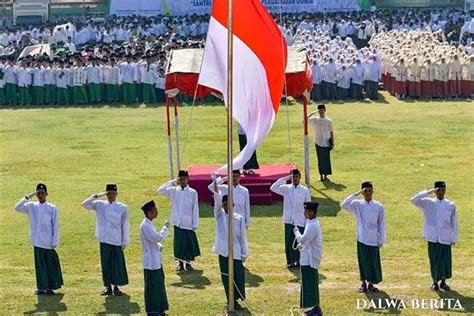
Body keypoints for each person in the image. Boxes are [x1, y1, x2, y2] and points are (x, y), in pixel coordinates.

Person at [14, 183, 64, 295]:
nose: (40, 195)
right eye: (38, 193)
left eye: (42, 193)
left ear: (46, 194)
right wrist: (28, 196)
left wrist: (55, 240)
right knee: (40, 266)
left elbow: (55, 225)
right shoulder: (31, 206)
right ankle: (41, 287)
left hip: (48, 241)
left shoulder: (52, 208)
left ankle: (50, 287)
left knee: (49, 265)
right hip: (37, 241)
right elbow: (17, 207)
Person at [81, 184, 130, 296]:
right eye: (108, 193)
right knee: (106, 264)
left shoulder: (122, 207)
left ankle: (116, 287)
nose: (110, 196)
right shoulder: (100, 204)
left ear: (116, 194)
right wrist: (97, 195)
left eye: (112, 193)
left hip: (116, 239)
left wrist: (125, 241)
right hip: (104, 239)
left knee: (116, 264)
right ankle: (107, 287)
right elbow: (84, 204)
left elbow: (125, 225)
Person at [410, 181, 458, 291]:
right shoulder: (428, 203)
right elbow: (414, 199)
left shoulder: (450, 205)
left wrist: (454, 237)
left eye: (442, 190)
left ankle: (443, 281)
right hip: (432, 236)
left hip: (445, 236)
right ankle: (435, 281)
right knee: (434, 259)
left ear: (445, 190)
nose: (440, 192)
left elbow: (454, 221)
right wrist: (429, 191)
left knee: (445, 260)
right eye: (438, 190)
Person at [341, 181, 386, 293]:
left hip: (373, 238)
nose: (368, 193)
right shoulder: (357, 204)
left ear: (373, 191)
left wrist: (381, 240)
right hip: (362, 237)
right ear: (362, 192)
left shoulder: (379, 206)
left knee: (372, 262)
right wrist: (357, 193)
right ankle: (363, 283)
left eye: (370, 191)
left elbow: (382, 224)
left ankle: (371, 283)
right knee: (363, 261)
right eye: (365, 191)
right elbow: (344, 204)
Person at [156, 170, 201, 272]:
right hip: (177, 222)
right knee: (179, 244)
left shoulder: (193, 192)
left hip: (188, 222)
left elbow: (195, 209)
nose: (182, 181)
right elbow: (160, 190)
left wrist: (195, 223)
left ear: (187, 179)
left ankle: (188, 263)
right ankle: (180, 263)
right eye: (180, 179)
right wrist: (172, 181)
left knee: (188, 243)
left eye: (184, 179)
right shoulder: (173, 190)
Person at [212, 191, 248, 311]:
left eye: (229, 204)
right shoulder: (219, 216)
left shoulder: (239, 218)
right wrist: (217, 187)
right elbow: (216, 201)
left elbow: (243, 236)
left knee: (237, 276)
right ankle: (229, 300)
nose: (227, 206)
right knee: (226, 277)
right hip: (223, 252)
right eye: (225, 204)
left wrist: (244, 253)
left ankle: (236, 299)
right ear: (222, 205)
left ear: (233, 205)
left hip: (236, 251)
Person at [270, 169, 311, 268]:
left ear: (300, 178)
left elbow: (308, 205)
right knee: (289, 241)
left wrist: (307, 221)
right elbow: (273, 187)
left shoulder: (305, 190)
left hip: (300, 219)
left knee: (300, 241)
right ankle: (290, 261)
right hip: (289, 219)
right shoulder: (286, 188)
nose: (295, 179)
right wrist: (285, 178)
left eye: (296, 177)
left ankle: (300, 261)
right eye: (293, 177)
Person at [140, 200, 170, 316]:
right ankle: (153, 311)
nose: (157, 212)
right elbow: (157, 237)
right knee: (152, 287)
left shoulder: (149, 224)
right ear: (149, 213)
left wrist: (158, 246)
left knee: (159, 285)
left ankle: (160, 309)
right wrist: (165, 228)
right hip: (150, 262)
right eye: (155, 210)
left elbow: (152, 241)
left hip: (156, 260)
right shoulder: (145, 226)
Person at [294, 202, 323, 316]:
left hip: (310, 259)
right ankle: (313, 307)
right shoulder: (310, 222)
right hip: (307, 256)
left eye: (306, 211)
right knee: (307, 283)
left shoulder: (313, 225)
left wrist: (296, 232)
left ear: (311, 212)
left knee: (310, 283)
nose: (305, 213)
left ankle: (316, 308)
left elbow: (302, 239)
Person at [308, 104, 334, 182]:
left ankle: (326, 176)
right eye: (319, 110)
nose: (321, 112)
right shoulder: (314, 120)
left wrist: (332, 142)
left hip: (326, 142)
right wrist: (312, 113)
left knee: (326, 159)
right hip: (318, 142)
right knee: (320, 159)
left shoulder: (328, 121)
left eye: (322, 110)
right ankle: (321, 175)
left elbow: (331, 132)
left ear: (325, 110)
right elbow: (304, 120)